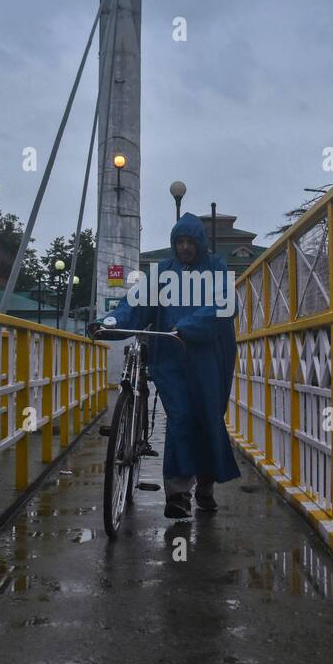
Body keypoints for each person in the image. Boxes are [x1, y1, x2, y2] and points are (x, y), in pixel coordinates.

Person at [89, 212, 239, 518]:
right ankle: (178, 493)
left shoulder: (216, 269)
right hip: (170, 356)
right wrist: (109, 322)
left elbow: (225, 305)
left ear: (200, 242)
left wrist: (188, 326)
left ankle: (205, 486)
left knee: (208, 419)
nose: (184, 247)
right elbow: (134, 304)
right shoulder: (161, 274)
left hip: (209, 358)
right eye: (179, 241)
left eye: (189, 241)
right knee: (181, 417)